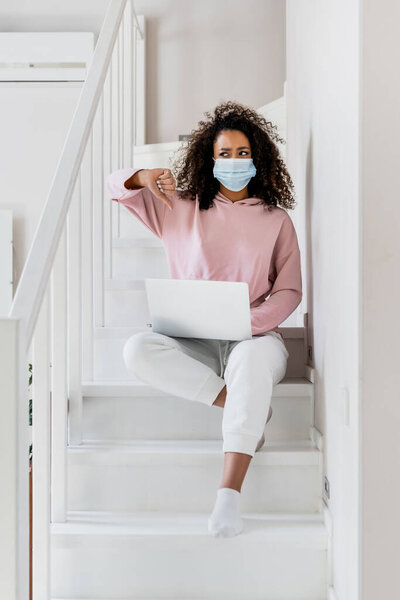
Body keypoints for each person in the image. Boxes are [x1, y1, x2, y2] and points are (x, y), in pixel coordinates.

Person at [106, 100, 302, 537]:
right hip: (191, 338)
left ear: (259, 158)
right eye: (225, 154)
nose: (234, 161)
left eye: (243, 153)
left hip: (254, 339)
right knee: (138, 348)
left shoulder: (277, 220)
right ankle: (241, 406)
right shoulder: (178, 207)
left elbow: (289, 290)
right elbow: (115, 187)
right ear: (209, 160)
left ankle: (228, 496)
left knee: (251, 364)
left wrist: (249, 322)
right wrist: (143, 176)